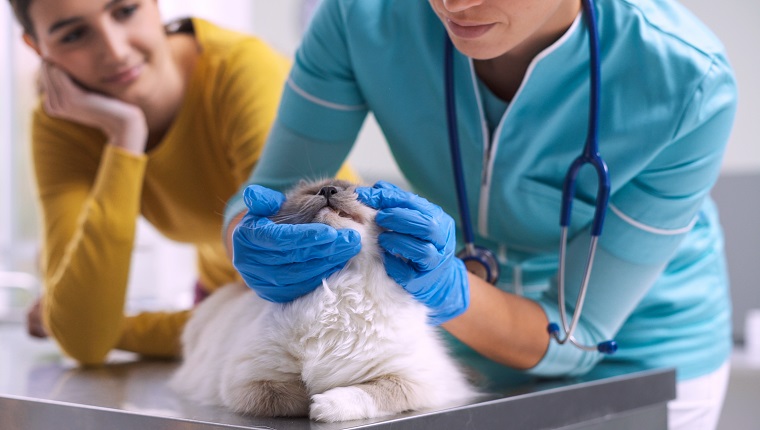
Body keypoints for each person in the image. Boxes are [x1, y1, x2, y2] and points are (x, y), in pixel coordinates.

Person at [224, 0, 738, 429]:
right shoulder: (361, 15)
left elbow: (580, 334)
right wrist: (249, 243)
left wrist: (448, 288)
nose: (454, 4)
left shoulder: (690, 81)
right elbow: (265, 196)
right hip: (453, 353)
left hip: (635, 354)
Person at [9, 0, 358, 366]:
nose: (115, 51)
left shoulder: (240, 69)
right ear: (37, 48)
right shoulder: (64, 121)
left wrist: (105, 327)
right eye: (74, 34)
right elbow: (84, 340)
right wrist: (124, 136)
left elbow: (303, 289)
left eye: (125, 11)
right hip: (221, 308)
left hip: (329, 300)